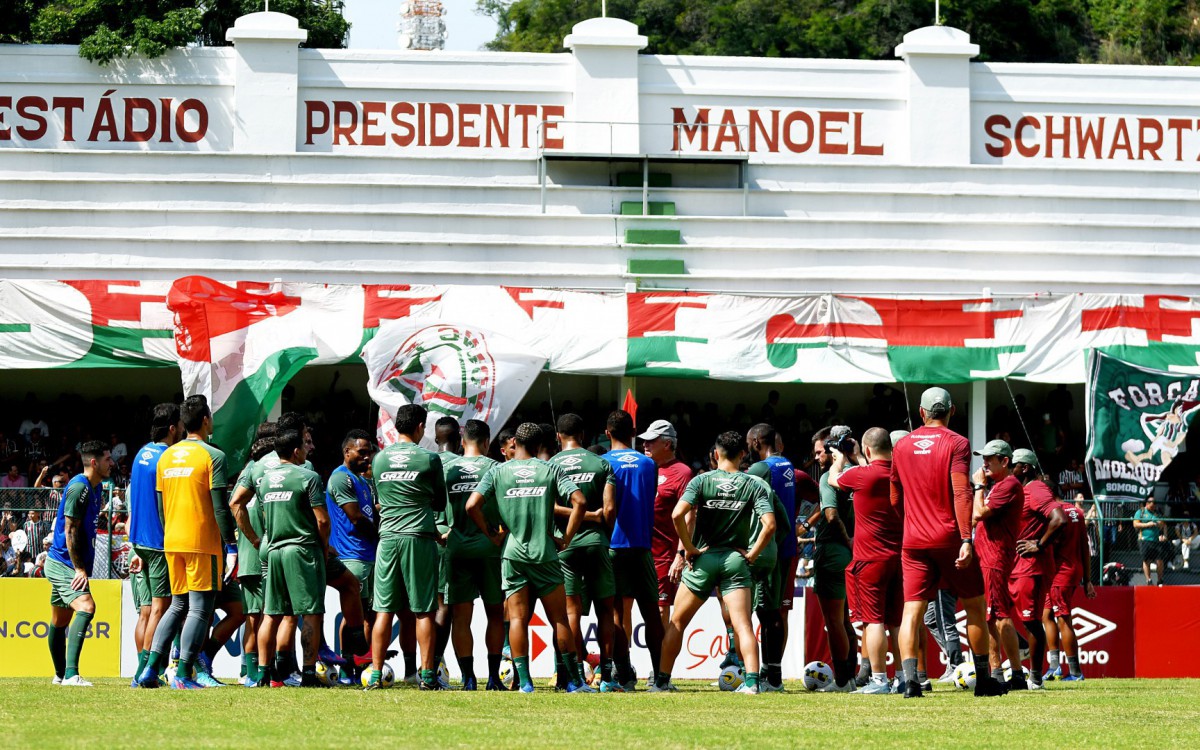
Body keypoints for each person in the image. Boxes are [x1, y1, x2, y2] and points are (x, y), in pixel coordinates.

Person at [891, 387, 1006, 698]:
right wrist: (966, 538)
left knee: (911, 613)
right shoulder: (957, 442)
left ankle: (911, 683)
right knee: (973, 605)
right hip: (949, 537)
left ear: (921, 413)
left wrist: (911, 524)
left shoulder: (900, 446)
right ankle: (983, 681)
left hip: (913, 540)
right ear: (952, 411)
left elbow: (894, 497)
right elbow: (960, 492)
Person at [465, 422, 588, 693]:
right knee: (559, 619)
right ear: (540, 444)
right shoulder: (550, 469)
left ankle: (526, 683)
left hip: (512, 554)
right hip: (544, 552)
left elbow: (471, 505)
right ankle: (573, 683)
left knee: (518, 619)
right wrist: (566, 537)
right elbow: (580, 501)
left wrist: (491, 534)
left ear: (514, 443)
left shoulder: (498, 471)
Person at [654, 430, 776, 694]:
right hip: (735, 559)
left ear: (716, 454)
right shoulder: (753, 484)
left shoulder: (701, 481)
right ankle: (753, 683)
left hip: (704, 559)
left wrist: (688, 548)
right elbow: (770, 525)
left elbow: (677, 515)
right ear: (743, 454)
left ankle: (661, 682)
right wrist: (752, 554)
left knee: (677, 622)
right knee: (743, 624)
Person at [136, 395, 237, 690]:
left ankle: (151, 670)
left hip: (172, 540)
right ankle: (182, 674)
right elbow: (220, 506)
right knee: (199, 609)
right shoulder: (213, 456)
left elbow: (160, 504)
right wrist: (230, 545)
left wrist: (169, 534)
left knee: (177, 605)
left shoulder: (166, 456)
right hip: (201, 541)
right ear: (206, 420)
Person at [363, 404, 448, 691]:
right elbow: (439, 503)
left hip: (387, 539)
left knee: (384, 610)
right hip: (418, 538)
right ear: (421, 427)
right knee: (423, 610)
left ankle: (375, 675)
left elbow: (379, 499)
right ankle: (426, 677)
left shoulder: (379, 459)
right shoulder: (428, 458)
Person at [248, 428, 330, 687]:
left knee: (271, 613)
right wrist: (324, 546)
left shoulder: (265, 480)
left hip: (273, 550)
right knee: (311, 613)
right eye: (304, 447)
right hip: (302, 549)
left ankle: (262, 672)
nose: (307, 451)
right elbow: (322, 520)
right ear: (296, 451)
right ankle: (307, 673)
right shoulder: (309, 476)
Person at [830, 427, 902, 695]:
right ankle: (905, 676)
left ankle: (879, 679)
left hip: (870, 559)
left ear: (868, 450)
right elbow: (873, 470)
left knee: (874, 621)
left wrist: (839, 456)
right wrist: (860, 456)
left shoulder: (861, 475)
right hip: (898, 557)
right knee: (896, 622)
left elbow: (833, 480)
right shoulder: (899, 474)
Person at [549, 413, 615, 693]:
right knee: (605, 612)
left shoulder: (549, 465)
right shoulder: (601, 463)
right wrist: (596, 522)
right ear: (584, 435)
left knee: (571, 613)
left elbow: (550, 507)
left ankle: (575, 673)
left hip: (565, 544)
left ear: (558, 436)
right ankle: (606, 676)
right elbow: (609, 510)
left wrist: (577, 519)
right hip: (597, 543)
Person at [746, 422, 814, 692]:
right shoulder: (788, 467)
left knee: (764, 612)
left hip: (765, 549)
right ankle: (772, 674)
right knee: (773, 612)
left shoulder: (760, 469)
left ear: (755, 443)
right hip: (786, 548)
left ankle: (769, 677)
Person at [602, 410, 665, 690]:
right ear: (634, 432)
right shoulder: (649, 464)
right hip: (641, 546)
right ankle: (660, 677)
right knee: (651, 612)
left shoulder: (602, 462)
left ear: (607, 434)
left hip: (613, 546)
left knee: (617, 614)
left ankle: (624, 675)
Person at [442, 419, 504, 690]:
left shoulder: (447, 469)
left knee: (460, 617)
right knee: (495, 614)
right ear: (487, 442)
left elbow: (434, 511)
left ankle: (468, 679)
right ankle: (492, 678)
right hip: (489, 549)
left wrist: (442, 532)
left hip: (457, 548)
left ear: (462, 440)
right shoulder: (496, 469)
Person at [44, 440, 112, 686]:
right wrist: (80, 569)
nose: (112, 462)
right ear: (94, 462)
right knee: (86, 607)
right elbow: (69, 529)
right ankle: (72, 674)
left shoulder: (97, 487)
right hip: (64, 563)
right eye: (107, 459)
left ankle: (60, 676)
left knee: (60, 621)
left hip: (65, 562)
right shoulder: (78, 487)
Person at [128, 403, 184, 688]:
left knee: (147, 609)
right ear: (173, 428)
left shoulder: (141, 452)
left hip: (139, 540)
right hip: (159, 541)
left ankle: (144, 668)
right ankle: (144, 672)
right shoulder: (168, 458)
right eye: (181, 425)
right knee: (162, 608)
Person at [804, 425, 858, 691]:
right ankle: (854, 676)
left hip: (833, 552)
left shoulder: (829, 477)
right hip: (852, 554)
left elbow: (830, 515)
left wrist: (846, 538)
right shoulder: (859, 473)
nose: (817, 457)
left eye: (819, 451)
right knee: (845, 619)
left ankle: (843, 680)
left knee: (834, 621)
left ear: (832, 448)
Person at [972, 439, 1026, 690]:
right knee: (991, 616)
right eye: (983, 458)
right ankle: (1000, 672)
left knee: (1000, 615)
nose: (984, 463)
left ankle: (1015, 674)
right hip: (988, 557)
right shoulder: (1000, 485)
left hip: (994, 558)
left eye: (989, 459)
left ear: (1005, 461)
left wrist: (977, 488)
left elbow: (979, 514)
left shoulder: (1007, 485)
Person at [325, 429, 378, 682]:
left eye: (370, 453)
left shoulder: (362, 481)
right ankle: (346, 668)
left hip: (367, 554)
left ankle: (359, 665)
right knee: (352, 616)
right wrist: (381, 535)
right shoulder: (340, 478)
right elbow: (356, 518)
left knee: (368, 614)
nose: (367, 458)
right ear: (347, 452)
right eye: (362, 452)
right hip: (351, 555)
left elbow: (367, 512)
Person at [1010, 448, 1064, 690]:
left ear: (1025, 467)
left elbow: (1058, 517)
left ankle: (1035, 678)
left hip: (1030, 567)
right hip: (1015, 566)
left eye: (1013, 464)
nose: (1010, 468)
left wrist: (1039, 544)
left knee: (1032, 621)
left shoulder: (1036, 488)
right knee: (1001, 617)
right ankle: (1018, 663)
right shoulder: (1022, 489)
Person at [229, 435, 275, 687]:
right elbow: (235, 506)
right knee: (260, 617)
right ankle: (254, 671)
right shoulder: (264, 472)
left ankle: (249, 669)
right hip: (258, 554)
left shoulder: (248, 474)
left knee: (254, 617)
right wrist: (256, 540)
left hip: (250, 555)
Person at [643, 419, 693, 632]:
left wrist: (680, 555)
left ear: (667, 444)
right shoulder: (644, 468)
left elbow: (689, 517)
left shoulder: (682, 472)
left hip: (665, 556)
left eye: (651, 441)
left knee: (661, 612)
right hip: (640, 553)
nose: (645, 445)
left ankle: (661, 665)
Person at [1044, 497, 1095, 681]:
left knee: (1063, 618)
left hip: (1061, 572)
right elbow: (1085, 546)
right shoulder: (1078, 513)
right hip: (1073, 569)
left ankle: (1075, 672)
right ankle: (1055, 667)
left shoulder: (1053, 513)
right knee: (1047, 615)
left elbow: (1049, 543)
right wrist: (1088, 579)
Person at [1132, 498, 1167, 585]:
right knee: (1146, 560)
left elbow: (1164, 524)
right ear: (1146, 504)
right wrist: (1148, 524)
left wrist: (1161, 527)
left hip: (1156, 540)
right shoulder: (1141, 512)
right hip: (1144, 540)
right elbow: (1135, 524)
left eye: (1154, 504)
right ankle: (1149, 580)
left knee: (1160, 560)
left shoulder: (1157, 512)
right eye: (1151, 504)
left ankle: (1160, 580)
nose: (1153, 506)